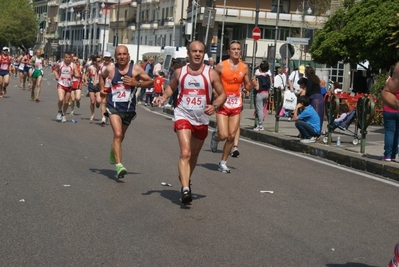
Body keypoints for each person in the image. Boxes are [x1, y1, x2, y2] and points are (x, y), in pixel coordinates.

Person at [156, 40, 226, 204]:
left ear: (204, 54)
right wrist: (163, 97)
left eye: (200, 51)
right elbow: (171, 87)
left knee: (194, 155)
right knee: (185, 153)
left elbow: (222, 95)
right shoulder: (180, 72)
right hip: (183, 114)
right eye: (194, 51)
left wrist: (214, 105)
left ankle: (186, 177)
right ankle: (185, 188)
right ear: (188, 54)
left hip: (201, 118)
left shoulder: (211, 73)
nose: (197, 54)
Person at [99, 45, 153, 178]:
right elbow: (101, 76)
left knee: (121, 136)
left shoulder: (136, 69)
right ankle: (119, 166)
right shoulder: (111, 69)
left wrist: (137, 84)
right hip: (113, 107)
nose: (122, 57)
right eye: (119, 54)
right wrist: (101, 89)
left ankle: (113, 150)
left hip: (129, 109)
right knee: (117, 134)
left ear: (128, 56)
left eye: (124, 54)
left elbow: (151, 82)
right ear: (115, 56)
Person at [210, 40, 256, 173]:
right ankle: (215, 137)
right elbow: (211, 81)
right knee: (223, 135)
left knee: (231, 136)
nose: (236, 51)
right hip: (223, 104)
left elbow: (246, 87)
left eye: (238, 49)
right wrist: (215, 94)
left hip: (236, 104)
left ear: (241, 51)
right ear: (229, 51)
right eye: (233, 49)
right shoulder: (221, 66)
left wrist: (251, 85)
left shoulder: (245, 67)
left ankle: (223, 162)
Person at [53, 51, 81, 122]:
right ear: (64, 58)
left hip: (69, 85)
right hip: (61, 83)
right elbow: (55, 71)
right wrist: (56, 76)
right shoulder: (60, 64)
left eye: (69, 57)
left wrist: (73, 74)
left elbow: (78, 76)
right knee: (61, 99)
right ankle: (59, 111)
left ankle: (64, 114)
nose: (67, 59)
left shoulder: (73, 65)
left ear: (71, 58)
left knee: (66, 102)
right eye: (66, 57)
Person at [382, 63, 399, 161]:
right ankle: (393, 155)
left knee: (389, 132)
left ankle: (387, 155)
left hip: (389, 109)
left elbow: (386, 92)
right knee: (397, 133)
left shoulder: (391, 82)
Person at [253, 62, 271, 131]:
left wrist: (254, 86)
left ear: (260, 68)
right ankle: (260, 124)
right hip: (266, 93)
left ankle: (260, 125)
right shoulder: (267, 76)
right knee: (263, 109)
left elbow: (257, 88)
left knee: (259, 110)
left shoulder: (258, 77)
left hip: (260, 93)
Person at [85, 55, 102, 122]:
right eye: (98, 61)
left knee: (98, 101)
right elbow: (86, 74)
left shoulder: (102, 68)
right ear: (94, 62)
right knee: (92, 101)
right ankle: (92, 114)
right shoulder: (90, 68)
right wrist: (86, 80)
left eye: (100, 61)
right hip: (91, 85)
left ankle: (97, 104)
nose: (99, 62)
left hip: (99, 86)